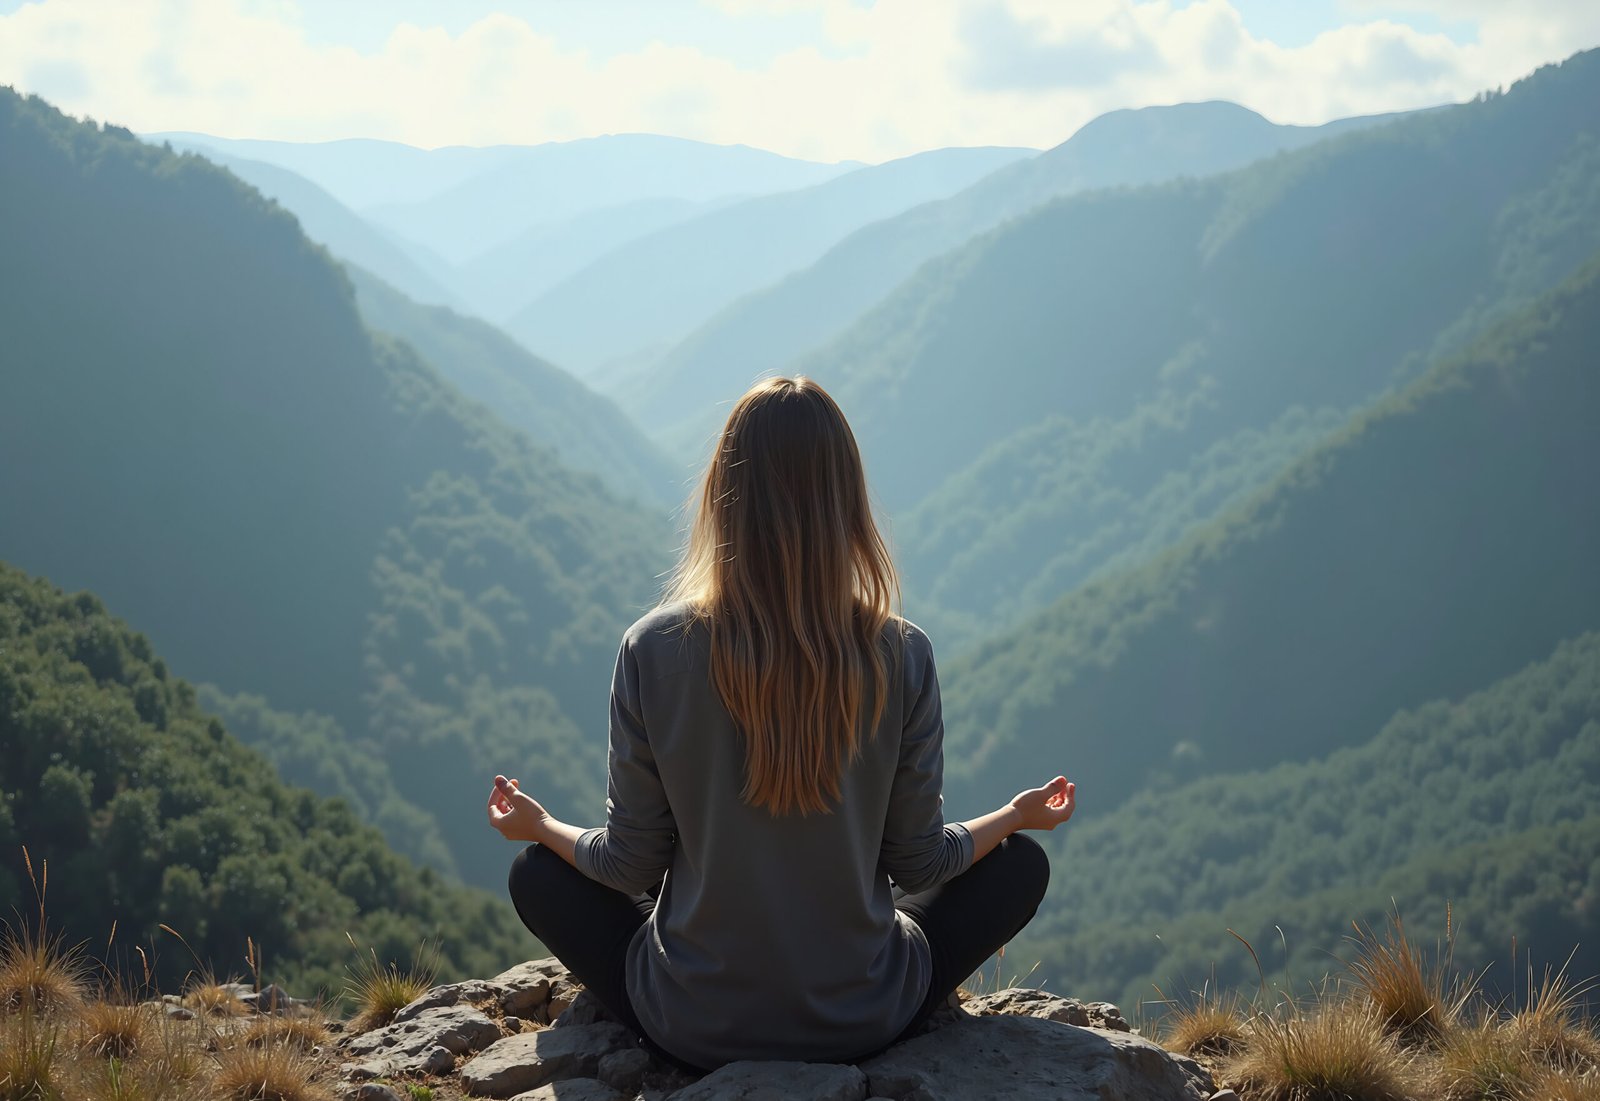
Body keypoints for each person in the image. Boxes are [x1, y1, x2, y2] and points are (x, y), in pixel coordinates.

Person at [487, 376, 1075, 1072]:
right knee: (1019, 868)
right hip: (863, 1018)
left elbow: (630, 864)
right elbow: (918, 862)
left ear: (721, 494)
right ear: (846, 501)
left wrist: (540, 826)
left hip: (691, 1022)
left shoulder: (650, 648)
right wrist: (1012, 816)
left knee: (537, 874)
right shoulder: (902, 653)